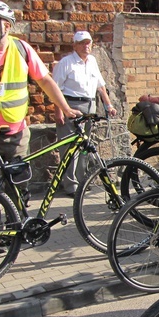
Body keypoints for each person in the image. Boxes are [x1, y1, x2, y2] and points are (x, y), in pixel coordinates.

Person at [0, 0, 81, 252]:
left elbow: (46, 81)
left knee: (18, 185)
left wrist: (65, 107)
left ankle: (16, 226)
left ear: (7, 26)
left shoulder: (22, 49)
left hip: (17, 133)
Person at [52, 31, 116, 197]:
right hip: (71, 105)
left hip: (90, 105)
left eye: (88, 43)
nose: (86, 46)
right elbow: (55, 89)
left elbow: (100, 86)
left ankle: (82, 181)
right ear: (75, 45)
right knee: (69, 147)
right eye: (82, 43)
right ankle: (70, 185)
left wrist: (108, 105)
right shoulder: (66, 63)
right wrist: (58, 111)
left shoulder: (92, 61)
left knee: (85, 146)